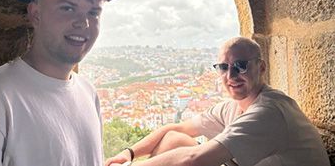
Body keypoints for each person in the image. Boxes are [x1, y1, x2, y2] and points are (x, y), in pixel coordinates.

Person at [105, 37, 330, 166]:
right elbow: (174, 128)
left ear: (261, 67)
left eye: (241, 66)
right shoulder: (232, 107)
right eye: (223, 67)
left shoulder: (269, 111)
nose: (231, 76)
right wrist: (128, 154)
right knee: (174, 139)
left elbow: (194, 159)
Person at [0, 0, 124, 166]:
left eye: (93, 12)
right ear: (35, 14)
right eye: (68, 8)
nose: (83, 23)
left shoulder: (88, 93)